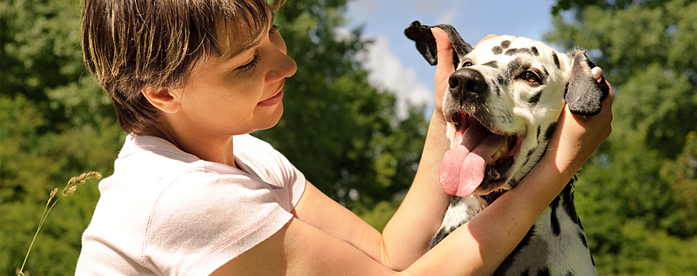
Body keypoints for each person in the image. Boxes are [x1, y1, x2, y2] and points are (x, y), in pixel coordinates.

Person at [75, 0, 613, 275]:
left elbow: (388, 254)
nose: (286, 63)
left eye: (272, 35)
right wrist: (554, 171)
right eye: (246, 63)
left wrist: (450, 114)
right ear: (163, 93)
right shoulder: (180, 198)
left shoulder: (248, 157)